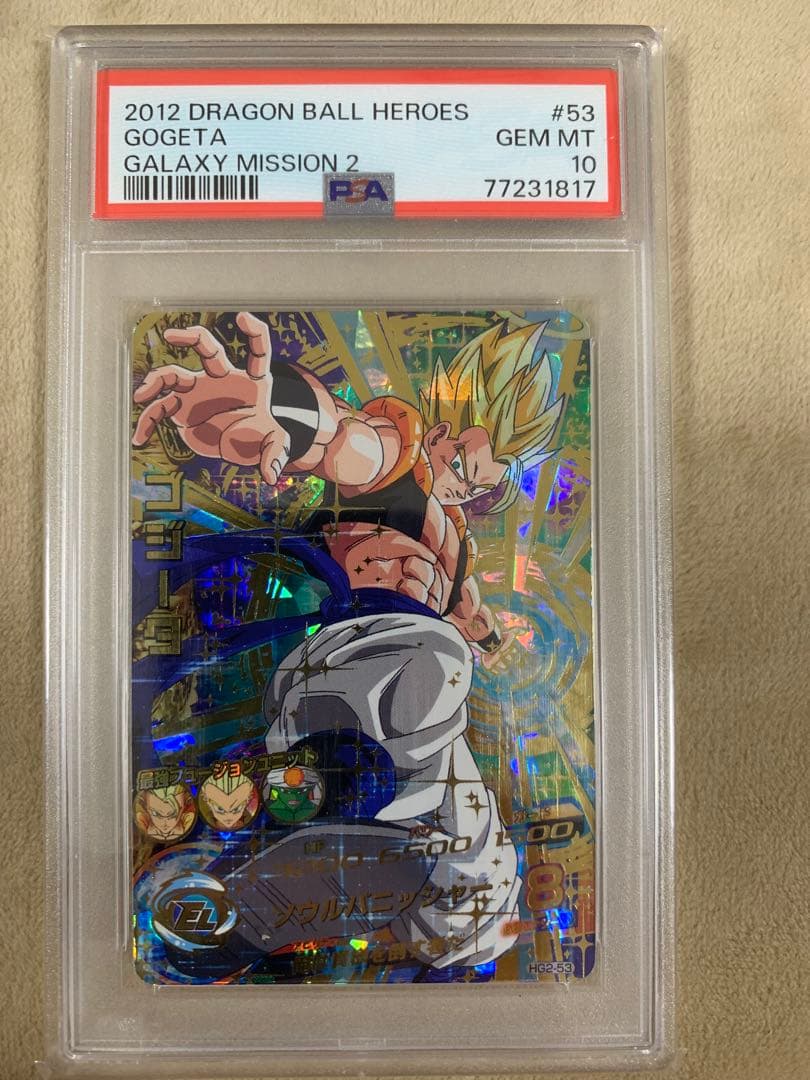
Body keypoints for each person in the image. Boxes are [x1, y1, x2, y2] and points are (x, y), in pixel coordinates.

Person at [133, 312, 564, 968]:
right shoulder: (396, 463)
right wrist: (274, 408)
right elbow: (342, 438)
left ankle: (249, 906)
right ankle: (350, 803)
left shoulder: (452, 540)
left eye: (484, 484)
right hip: (356, 652)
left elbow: (466, 606)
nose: (464, 485)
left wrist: (492, 636)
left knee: (484, 882)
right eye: (460, 463)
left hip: (382, 694)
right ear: (440, 431)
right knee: (434, 667)